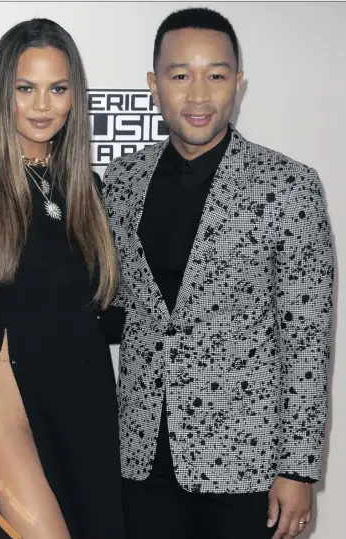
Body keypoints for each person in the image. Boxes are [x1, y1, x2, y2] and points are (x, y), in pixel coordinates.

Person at [102, 7, 334, 539]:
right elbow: (116, 308)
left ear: (239, 84)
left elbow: (307, 338)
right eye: (180, 75)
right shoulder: (121, 179)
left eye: (217, 74)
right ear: (153, 86)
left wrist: (297, 469)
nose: (199, 94)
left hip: (246, 463)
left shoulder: (288, 184)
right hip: (141, 455)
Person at [0, 18, 126, 539]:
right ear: (4, 93)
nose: (43, 105)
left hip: (84, 400)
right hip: (9, 406)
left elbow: (99, 314)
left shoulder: (85, 187)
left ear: (74, 96)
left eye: (58, 88)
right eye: (26, 88)